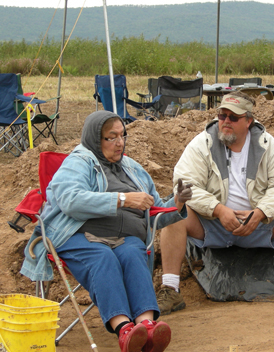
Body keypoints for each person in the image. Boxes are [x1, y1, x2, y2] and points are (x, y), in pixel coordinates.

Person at [21, 111, 192, 352]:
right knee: (103, 257)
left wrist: (178, 203)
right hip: (78, 234)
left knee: (134, 254)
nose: (120, 143)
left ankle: (147, 327)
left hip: (125, 238)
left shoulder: (132, 168)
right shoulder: (78, 162)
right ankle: (124, 329)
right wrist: (122, 199)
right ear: (95, 138)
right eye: (111, 137)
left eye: (122, 136)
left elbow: (154, 210)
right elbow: (70, 200)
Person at [156, 91, 274, 313]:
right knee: (174, 210)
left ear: (248, 121)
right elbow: (184, 185)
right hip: (212, 223)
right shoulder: (202, 144)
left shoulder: (267, 145)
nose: (225, 122)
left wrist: (261, 212)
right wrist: (218, 210)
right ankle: (170, 289)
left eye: (233, 118)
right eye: (222, 116)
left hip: (257, 224)